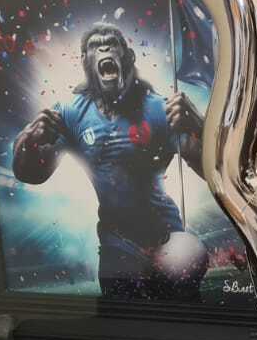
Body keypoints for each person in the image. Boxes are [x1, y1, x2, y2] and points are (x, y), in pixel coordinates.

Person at [11, 23, 209, 301]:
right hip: (117, 240)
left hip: (165, 235)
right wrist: (30, 142)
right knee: (121, 303)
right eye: (95, 44)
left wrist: (199, 126)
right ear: (85, 61)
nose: (103, 46)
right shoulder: (70, 113)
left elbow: (213, 172)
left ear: (127, 57)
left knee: (187, 263)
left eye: (111, 42)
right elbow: (31, 174)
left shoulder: (159, 108)